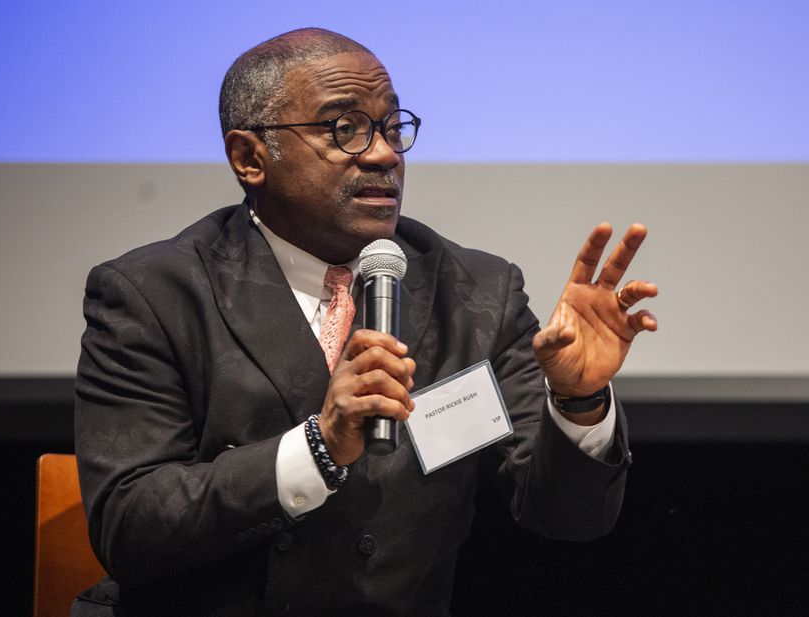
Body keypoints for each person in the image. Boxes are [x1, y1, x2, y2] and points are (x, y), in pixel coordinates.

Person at [72, 27, 658, 617]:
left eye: (392, 126)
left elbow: (568, 517)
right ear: (250, 158)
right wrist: (318, 447)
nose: (383, 154)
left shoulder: (477, 292)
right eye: (344, 128)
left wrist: (578, 402)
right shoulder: (155, 294)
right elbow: (129, 527)